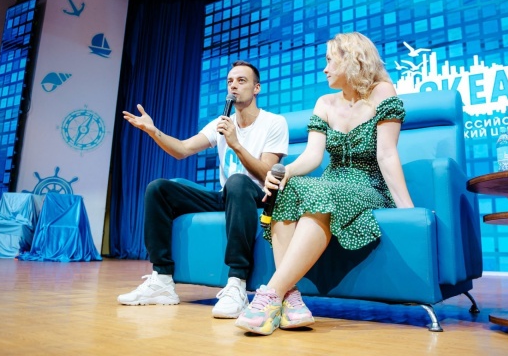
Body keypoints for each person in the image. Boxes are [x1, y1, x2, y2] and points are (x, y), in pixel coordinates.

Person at [235, 32, 415, 335]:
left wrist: (407, 210)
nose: (325, 68)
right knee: (289, 187)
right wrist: (285, 172)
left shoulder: (382, 91)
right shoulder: (324, 102)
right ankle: (291, 299)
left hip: (366, 185)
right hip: (330, 183)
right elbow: (312, 156)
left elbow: (386, 154)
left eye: (330, 60)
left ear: (352, 59)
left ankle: (270, 295)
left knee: (319, 192)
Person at [118, 60, 289, 319]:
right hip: (227, 195)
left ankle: (237, 284)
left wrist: (236, 144)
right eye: (230, 81)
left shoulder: (274, 122)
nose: (233, 85)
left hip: (257, 196)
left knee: (237, 182)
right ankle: (162, 280)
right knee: (159, 189)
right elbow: (182, 149)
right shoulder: (222, 122)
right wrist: (153, 131)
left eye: (241, 80)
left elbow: (267, 174)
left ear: (257, 88)